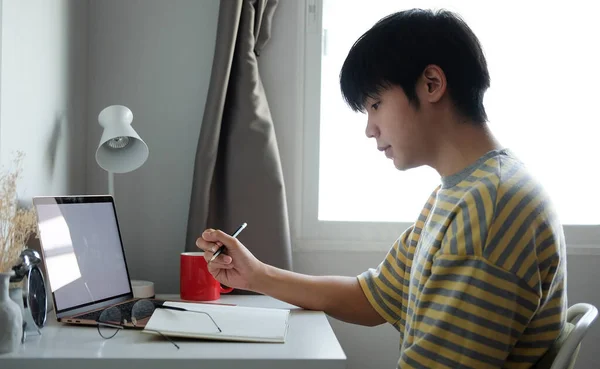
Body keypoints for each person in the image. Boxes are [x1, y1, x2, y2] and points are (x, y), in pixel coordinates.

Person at [196, 8, 566, 369]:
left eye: (375, 104)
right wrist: (256, 274)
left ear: (431, 84)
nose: (370, 128)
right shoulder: (460, 194)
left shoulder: (491, 207)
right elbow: (373, 299)